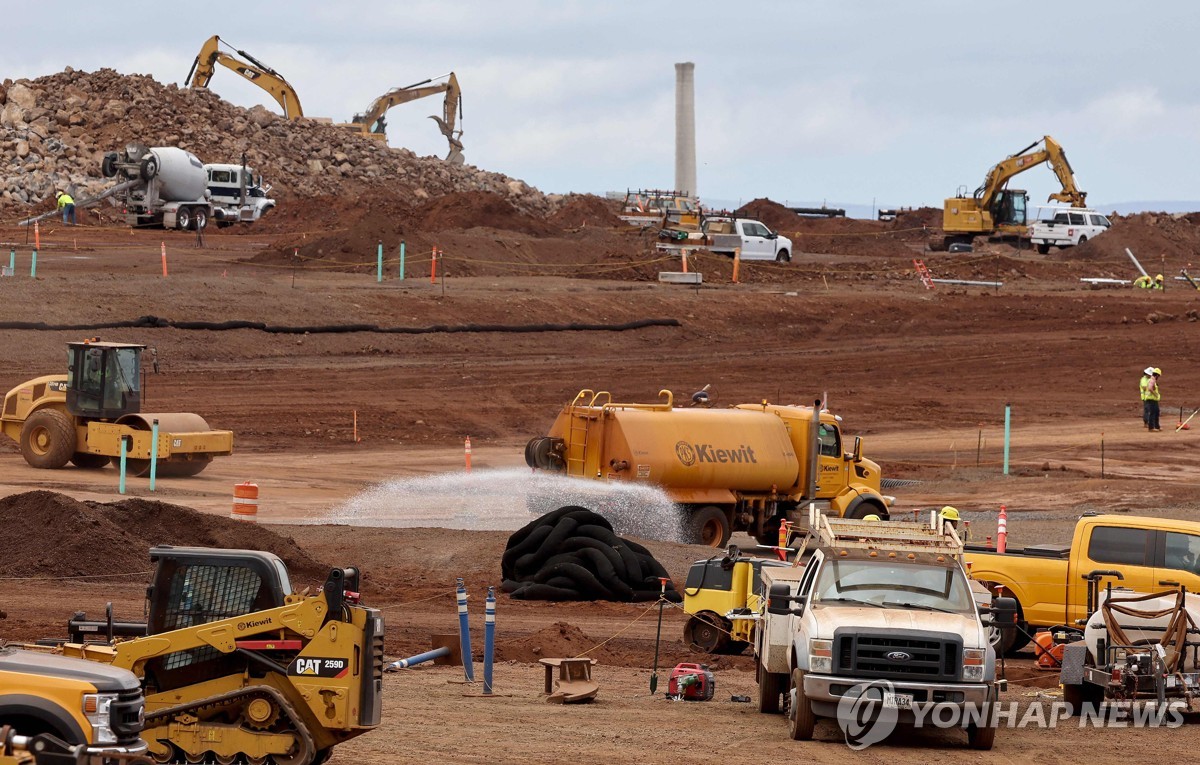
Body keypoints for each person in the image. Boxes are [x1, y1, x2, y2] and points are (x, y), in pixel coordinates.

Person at [1140, 366, 1162, 431]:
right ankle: (1151, 427)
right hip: (1151, 399)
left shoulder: (1152, 380)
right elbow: (1149, 388)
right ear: (1157, 375)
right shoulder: (1152, 380)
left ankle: (1156, 426)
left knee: (1156, 412)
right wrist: (1155, 394)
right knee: (1153, 413)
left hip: (1153, 399)